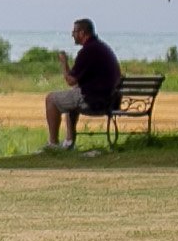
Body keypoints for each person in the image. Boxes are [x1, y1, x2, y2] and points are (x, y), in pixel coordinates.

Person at [45, 17, 124, 149]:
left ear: (82, 33)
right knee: (71, 97)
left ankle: (53, 143)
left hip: (94, 101)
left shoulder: (87, 51)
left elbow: (70, 80)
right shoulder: (101, 47)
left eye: (74, 31)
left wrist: (64, 63)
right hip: (110, 100)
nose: (72, 34)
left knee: (51, 99)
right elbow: (78, 79)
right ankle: (69, 142)